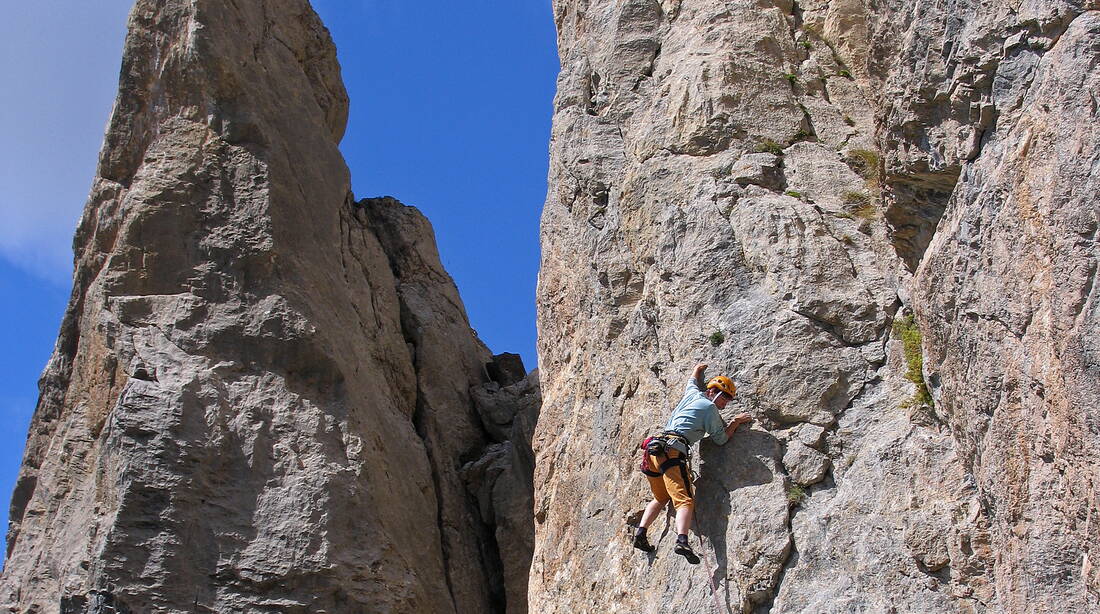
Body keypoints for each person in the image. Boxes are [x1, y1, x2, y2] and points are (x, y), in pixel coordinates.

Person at [633, 363, 752, 563]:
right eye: (724, 398)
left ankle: (641, 533)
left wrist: (697, 370)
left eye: (728, 401)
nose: (725, 404)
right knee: (684, 500)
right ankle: (682, 540)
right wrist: (735, 422)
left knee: (661, 497)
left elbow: (692, 382)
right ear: (712, 392)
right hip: (672, 453)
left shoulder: (692, 395)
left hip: (654, 451)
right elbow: (721, 439)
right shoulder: (709, 408)